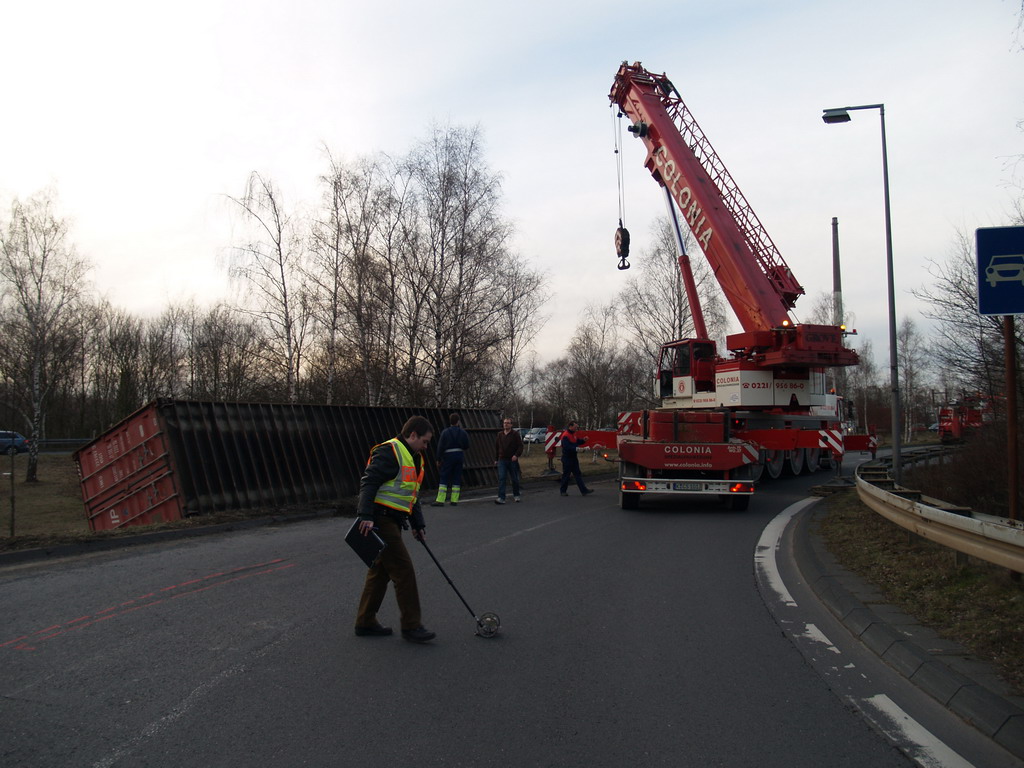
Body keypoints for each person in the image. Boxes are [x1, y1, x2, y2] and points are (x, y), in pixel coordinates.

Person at [353, 415, 436, 643]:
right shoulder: (389, 451)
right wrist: (365, 516)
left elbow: (412, 494)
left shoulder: (415, 458)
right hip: (381, 520)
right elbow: (368, 482)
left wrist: (418, 525)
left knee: (380, 573)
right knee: (404, 570)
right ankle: (412, 626)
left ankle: (365, 622)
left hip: (394, 520)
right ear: (412, 435)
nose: (426, 447)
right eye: (425, 441)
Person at [432, 412, 470, 507]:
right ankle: (454, 500)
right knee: (456, 477)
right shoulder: (463, 433)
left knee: (444, 476)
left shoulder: (445, 432)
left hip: (448, 456)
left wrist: (438, 459)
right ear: (458, 421)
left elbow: (440, 446)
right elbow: (467, 445)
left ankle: (440, 500)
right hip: (459, 455)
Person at [559, 421, 594, 497]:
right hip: (567, 458)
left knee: (578, 474)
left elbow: (577, 441)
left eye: (577, 427)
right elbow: (567, 447)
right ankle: (563, 491)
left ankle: (584, 490)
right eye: (575, 427)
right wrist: (578, 449)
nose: (576, 429)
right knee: (566, 475)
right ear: (570, 427)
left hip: (573, 457)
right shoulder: (566, 436)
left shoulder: (574, 434)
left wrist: (583, 440)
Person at [494, 417, 523, 504]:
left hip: (512, 460)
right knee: (502, 478)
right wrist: (496, 459)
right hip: (502, 460)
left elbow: (520, 446)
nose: (505, 424)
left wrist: (516, 455)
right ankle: (501, 497)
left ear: (511, 425)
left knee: (514, 479)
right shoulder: (500, 435)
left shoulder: (515, 434)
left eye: (507, 423)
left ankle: (516, 495)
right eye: (504, 423)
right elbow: (497, 447)